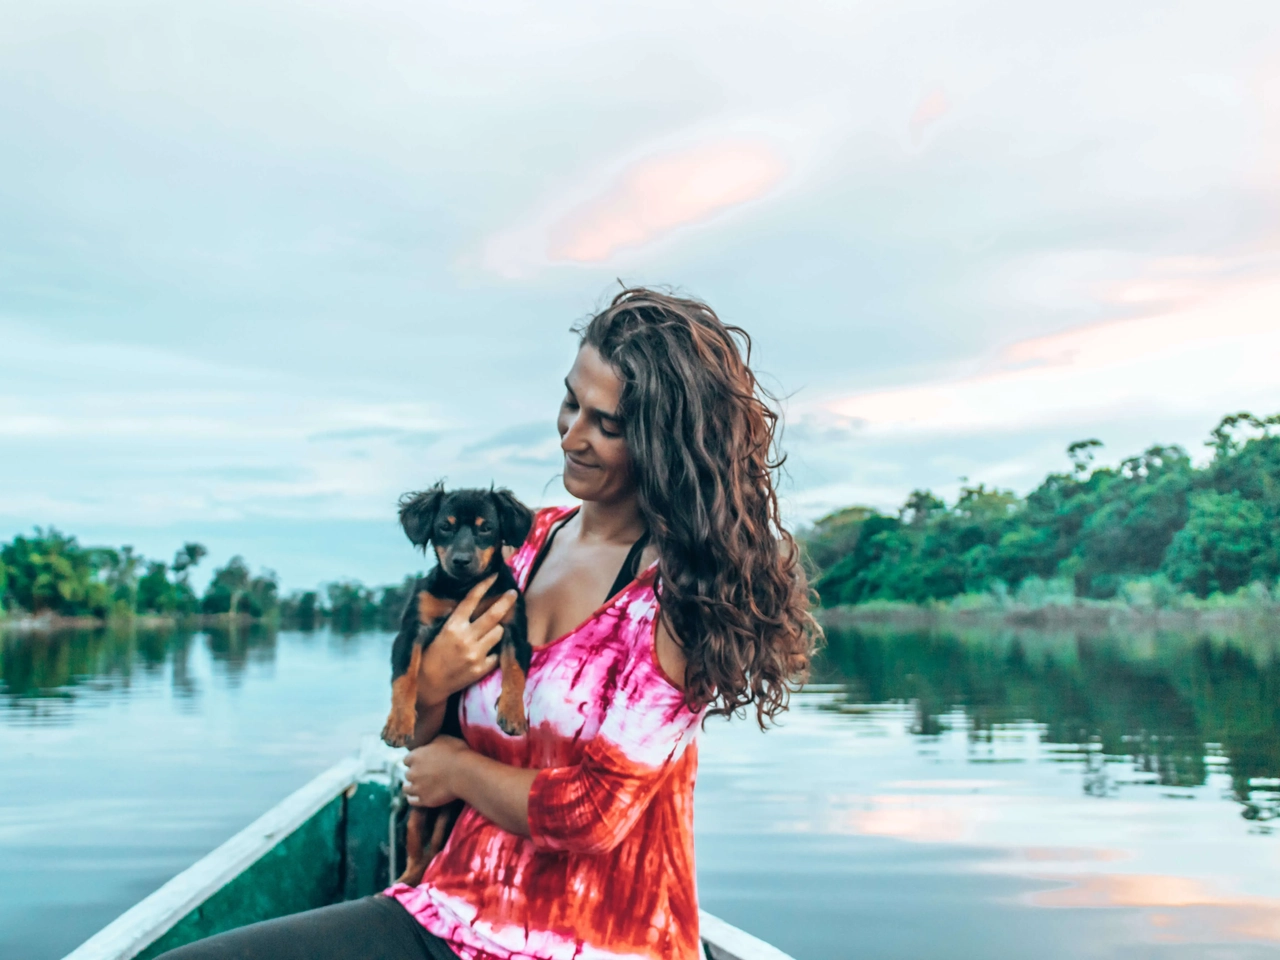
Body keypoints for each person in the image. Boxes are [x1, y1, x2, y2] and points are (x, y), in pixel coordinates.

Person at [157, 287, 818, 960]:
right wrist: (436, 685)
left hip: (598, 942)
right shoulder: (520, 550)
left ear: (661, 442)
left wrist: (459, 771)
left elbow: (593, 817)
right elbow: (419, 743)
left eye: (606, 425)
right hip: (446, 910)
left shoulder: (680, 597)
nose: (571, 435)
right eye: (570, 402)